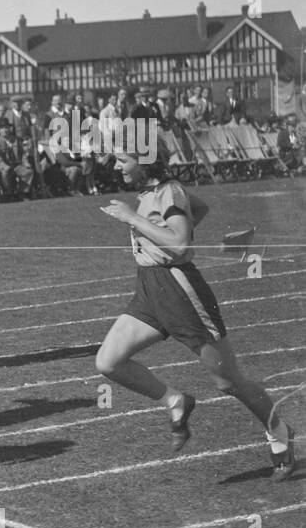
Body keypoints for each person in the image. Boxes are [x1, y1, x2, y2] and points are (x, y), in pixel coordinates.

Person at [94, 145, 294, 480]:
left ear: (144, 162)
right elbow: (198, 208)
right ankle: (175, 400)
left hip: (181, 291)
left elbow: (183, 246)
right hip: (149, 288)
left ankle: (279, 429)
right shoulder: (156, 190)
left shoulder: (168, 192)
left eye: (123, 160)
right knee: (108, 362)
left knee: (228, 381)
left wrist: (133, 218)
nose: (116, 167)